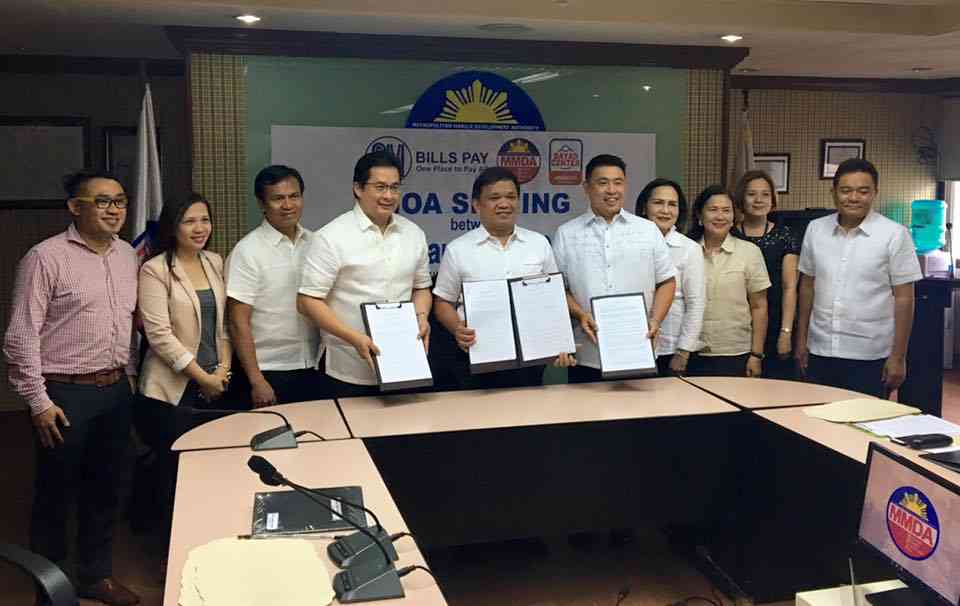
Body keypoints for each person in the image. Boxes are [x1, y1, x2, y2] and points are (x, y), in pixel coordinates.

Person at [4, 171, 140, 605]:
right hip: (64, 394)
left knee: (106, 489)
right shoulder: (45, 258)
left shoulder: (127, 255)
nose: (113, 210)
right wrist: (38, 401)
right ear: (74, 207)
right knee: (56, 495)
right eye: (102, 201)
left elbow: (127, 324)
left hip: (115, 390)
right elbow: (21, 335)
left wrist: (129, 377)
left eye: (119, 201)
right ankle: (52, 588)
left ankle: (95, 576)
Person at [298, 150, 432, 397]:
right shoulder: (331, 237)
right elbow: (307, 301)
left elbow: (421, 287)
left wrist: (421, 316)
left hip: (403, 364)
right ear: (358, 188)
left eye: (394, 187)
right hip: (347, 367)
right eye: (380, 187)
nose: (388, 196)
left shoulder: (414, 233)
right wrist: (353, 337)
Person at [134, 194, 231, 533]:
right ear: (172, 227)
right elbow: (159, 336)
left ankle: (210, 534)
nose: (199, 228)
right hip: (172, 390)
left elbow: (223, 327)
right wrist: (202, 377)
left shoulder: (215, 262)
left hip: (216, 383)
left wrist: (222, 370)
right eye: (189, 221)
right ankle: (169, 544)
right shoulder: (155, 269)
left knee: (214, 466)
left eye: (204, 220)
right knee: (174, 472)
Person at [433, 167, 576, 389]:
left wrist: (559, 342)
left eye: (511, 197)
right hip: (478, 356)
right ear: (476, 204)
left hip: (531, 358)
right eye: (494, 198)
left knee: (529, 409)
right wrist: (458, 329)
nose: (504, 204)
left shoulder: (539, 244)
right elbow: (443, 302)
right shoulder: (458, 249)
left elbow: (554, 299)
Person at [796, 158, 922, 398]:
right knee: (816, 418)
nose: (853, 198)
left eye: (863, 191)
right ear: (833, 192)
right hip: (820, 350)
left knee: (865, 420)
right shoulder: (815, 229)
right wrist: (801, 341)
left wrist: (898, 356)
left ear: (875, 193)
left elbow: (905, 298)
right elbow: (807, 287)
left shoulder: (895, 234)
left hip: (871, 355)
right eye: (846, 190)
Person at [553, 154, 676, 383]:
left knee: (640, 408)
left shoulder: (647, 230)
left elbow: (667, 281)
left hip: (639, 347)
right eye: (603, 183)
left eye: (618, 182)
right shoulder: (567, 234)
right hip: (588, 354)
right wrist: (580, 313)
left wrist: (656, 320)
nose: (612, 190)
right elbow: (559, 288)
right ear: (586, 187)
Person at [226, 165, 320, 407]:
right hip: (268, 371)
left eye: (294, 196)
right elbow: (237, 322)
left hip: (314, 366)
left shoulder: (317, 244)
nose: (288, 205)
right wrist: (256, 380)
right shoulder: (247, 251)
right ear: (262, 203)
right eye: (278, 199)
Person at [686, 185, 770, 377]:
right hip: (690, 351)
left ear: (734, 216)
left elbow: (759, 306)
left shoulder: (750, 252)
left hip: (736, 352)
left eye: (726, 210)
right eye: (713, 210)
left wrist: (756, 354)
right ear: (699, 215)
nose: (720, 216)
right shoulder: (686, 250)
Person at [732, 170, 800, 379]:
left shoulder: (785, 235)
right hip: (738, 323)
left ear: (773, 199)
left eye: (765, 194)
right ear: (741, 198)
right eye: (751, 194)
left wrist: (786, 332)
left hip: (776, 320)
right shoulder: (730, 233)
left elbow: (790, 287)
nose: (759, 200)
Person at [635, 178, 705, 376]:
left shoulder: (689, 249)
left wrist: (683, 351)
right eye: (658, 203)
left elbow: (696, 303)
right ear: (644, 208)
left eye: (672, 204)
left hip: (671, 348)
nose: (665, 210)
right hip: (634, 345)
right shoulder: (629, 243)